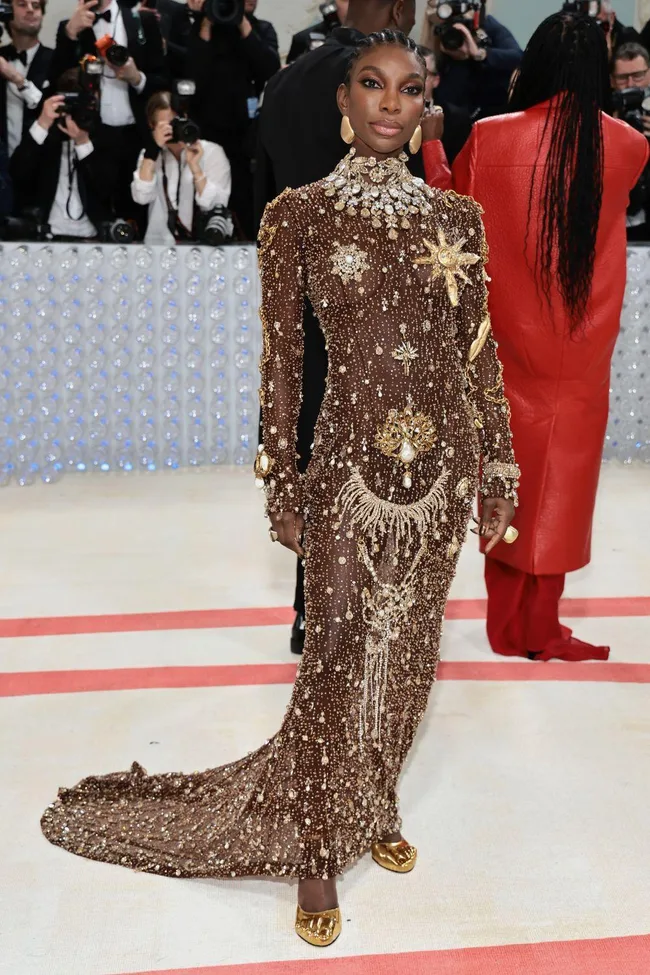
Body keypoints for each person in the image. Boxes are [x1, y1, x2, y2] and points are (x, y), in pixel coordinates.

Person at [41, 29, 518, 947]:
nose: (390, 102)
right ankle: (310, 839)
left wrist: (497, 466)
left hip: (441, 469)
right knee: (338, 653)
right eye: (372, 86)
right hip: (344, 467)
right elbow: (283, 371)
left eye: (410, 89)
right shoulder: (297, 216)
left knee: (406, 654)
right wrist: (282, 483)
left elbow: (478, 352)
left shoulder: (456, 221)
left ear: (426, 109)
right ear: (343, 106)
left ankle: (371, 798)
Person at [452, 12, 649, 662]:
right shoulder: (625, 145)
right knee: (562, 487)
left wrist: (431, 146)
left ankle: (508, 625)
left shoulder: (486, 137)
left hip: (506, 349)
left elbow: (449, 210)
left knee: (508, 477)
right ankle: (541, 627)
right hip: (579, 355)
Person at [255, 0, 429, 656]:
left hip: (301, 300)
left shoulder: (284, 82)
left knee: (315, 452)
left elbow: (262, 201)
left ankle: (316, 611)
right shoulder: (384, 86)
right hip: (376, 302)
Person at [49, 0, 168, 233]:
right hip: (91, 135)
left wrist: (137, 79)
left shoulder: (142, 21)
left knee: (138, 217)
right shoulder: (71, 27)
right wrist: (70, 34)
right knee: (96, 218)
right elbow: (56, 82)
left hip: (137, 135)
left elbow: (164, 80)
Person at [169, 0, 279, 240]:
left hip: (246, 132)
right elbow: (193, 74)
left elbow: (270, 69)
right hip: (203, 129)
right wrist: (206, 22)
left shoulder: (261, 29)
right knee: (205, 191)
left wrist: (241, 22)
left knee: (244, 196)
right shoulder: (196, 29)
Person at [10, 79, 115, 239]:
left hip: (93, 236)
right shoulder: (43, 136)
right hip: (46, 235)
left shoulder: (104, 137)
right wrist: (43, 123)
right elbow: (18, 173)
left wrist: (83, 143)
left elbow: (107, 189)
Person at [131, 89, 230, 244]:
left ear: (185, 118)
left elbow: (216, 204)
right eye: (166, 126)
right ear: (152, 125)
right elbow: (141, 197)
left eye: (176, 123)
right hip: (158, 247)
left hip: (204, 247)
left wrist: (195, 168)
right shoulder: (149, 156)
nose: (173, 130)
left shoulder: (212, 152)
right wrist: (152, 151)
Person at [421, 0, 522, 121]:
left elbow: (518, 57)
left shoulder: (486, 25)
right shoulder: (439, 27)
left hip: (491, 110)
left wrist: (480, 54)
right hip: (452, 113)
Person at [0, 0, 52, 158]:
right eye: (22, 4)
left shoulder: (55, 60)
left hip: (40, 165)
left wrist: (16, 78)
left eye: (36, 6)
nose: (30, 10)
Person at [611, 42, 650, 242]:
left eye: (638, 76)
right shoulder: (603, 116)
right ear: (612, 81)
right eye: (623, 78)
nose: (631, 85)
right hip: (616, 223)